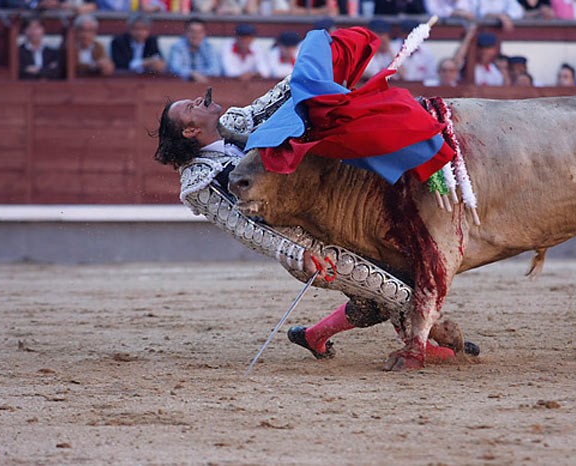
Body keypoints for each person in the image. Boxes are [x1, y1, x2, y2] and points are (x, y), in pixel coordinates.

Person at [154, 85, 475, 362]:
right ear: (190, 131)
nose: (198, 100)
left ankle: (314, 336)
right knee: (398, 287)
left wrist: (321, 64)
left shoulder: (234, 121)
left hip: (333, 218)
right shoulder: (200, 180)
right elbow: (248, 228)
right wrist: (299, 256)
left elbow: (276, 99)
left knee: (374, 294)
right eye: (189, 108)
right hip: (307, 246)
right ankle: (429, 339)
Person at [168, 18, 221, 83]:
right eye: (192, 32)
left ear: (204, 33)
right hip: (182, 86)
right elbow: (174, 68)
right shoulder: (177, 47)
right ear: (185, 32)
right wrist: (191, 74)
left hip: (203, 84)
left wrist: (197, 75)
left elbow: (216, 70)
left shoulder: (208, 47)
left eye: (199, 32)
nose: (196, 35)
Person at [18, 15, 63, 80]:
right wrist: (46, 69)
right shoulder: (18, 52)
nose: (33, 32)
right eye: (29, 28)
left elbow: (56, 71)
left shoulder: (53, 53)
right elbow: (20, 71)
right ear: (24, 31)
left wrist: (38, 70)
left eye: (37, 28)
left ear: (43, 30)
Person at [453, 0, 525, 32]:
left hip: (499, 35)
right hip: (476, 33)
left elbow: (518, 12)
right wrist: (498, 16)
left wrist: (505, 17)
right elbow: (474, 14)